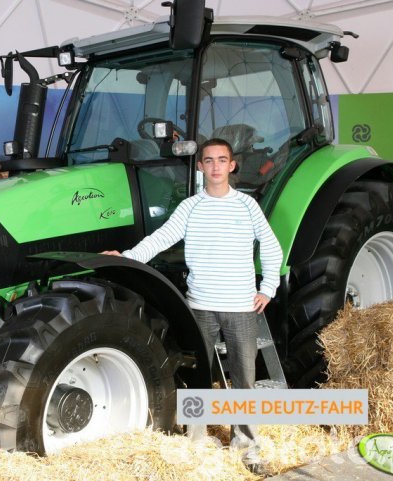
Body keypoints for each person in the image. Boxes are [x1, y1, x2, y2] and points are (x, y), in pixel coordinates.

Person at [102, 138, 282, 474]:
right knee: (197, 375)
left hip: (242, 308)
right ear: (200, 166)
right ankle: (196, 442)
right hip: (199, 307)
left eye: (222, 160)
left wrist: (267, 288)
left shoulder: (247, 206)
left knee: (244, 379)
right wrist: (126, 257)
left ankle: (246, 448)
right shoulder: (190, 207)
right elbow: (159, 239)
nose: (215, 166)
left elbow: (272, 247)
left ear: (232, 165)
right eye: (209, 160)